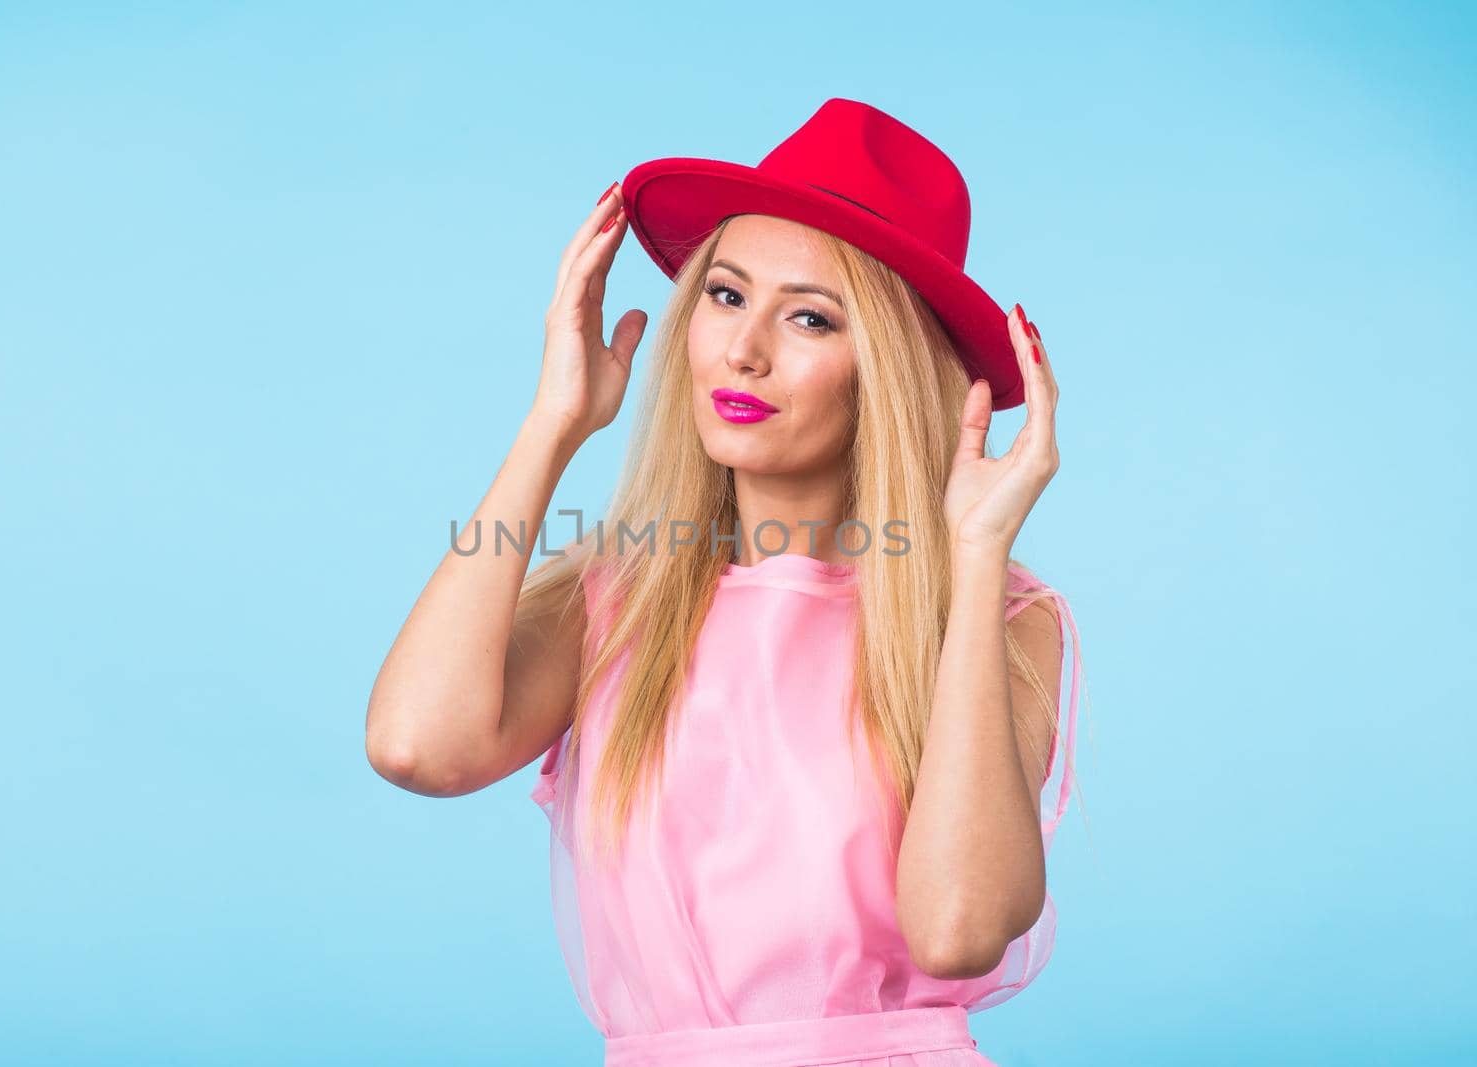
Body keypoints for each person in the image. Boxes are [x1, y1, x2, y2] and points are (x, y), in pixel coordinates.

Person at [366, 98, 1087, 1067]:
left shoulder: (995, 617)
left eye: (810, 316)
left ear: (886, 366)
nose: (744, 350)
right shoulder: (616, 600)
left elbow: (958, 927)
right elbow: (418, 747)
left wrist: (977, 550)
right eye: (726, 294)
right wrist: (551, 427)